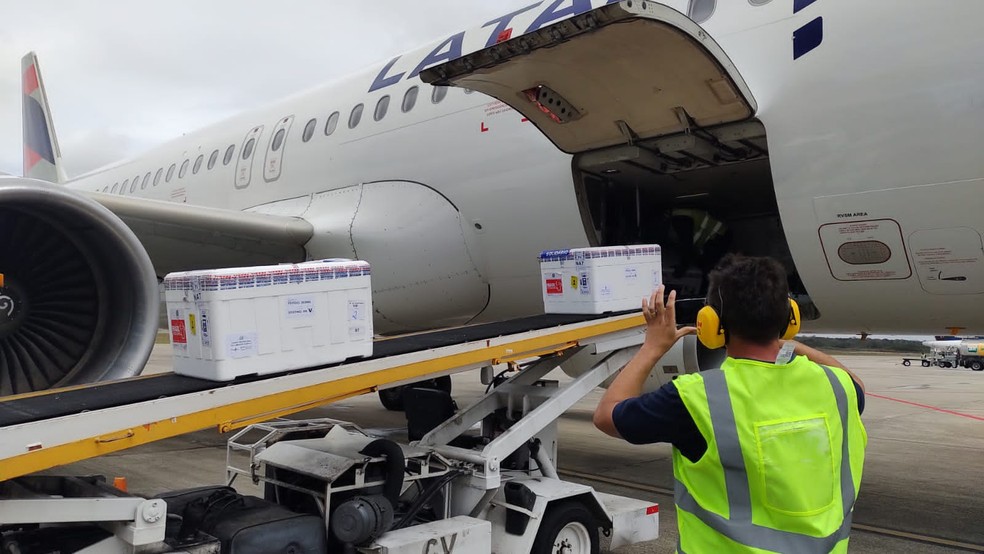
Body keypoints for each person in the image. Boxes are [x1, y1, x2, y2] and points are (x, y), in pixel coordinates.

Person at [593, 255, 866, 553]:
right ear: (791, 318)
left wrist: (653, 346)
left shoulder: (697, 398)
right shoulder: (836, 387)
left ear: (712, 324)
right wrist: (788, 344)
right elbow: (855, 384)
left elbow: (607, 415)